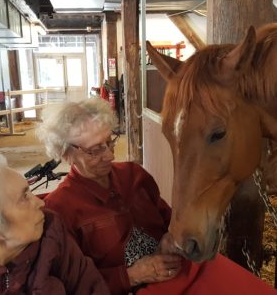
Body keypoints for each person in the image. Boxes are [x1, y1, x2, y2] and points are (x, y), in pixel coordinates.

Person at [37, 98, 276, 295]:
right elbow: (70, 285)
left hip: (181, 269)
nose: (109, 155)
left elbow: (170, 219)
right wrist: (130, 275)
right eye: (95, 150)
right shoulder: (59, 208)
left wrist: (170, 237)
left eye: (110, 142)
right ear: (66, 154)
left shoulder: (133, 174)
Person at [0, 153, 110, 295]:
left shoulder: (50, 231)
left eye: (30, 192)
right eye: (24, 198)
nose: (41, 202)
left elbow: (91, 287)